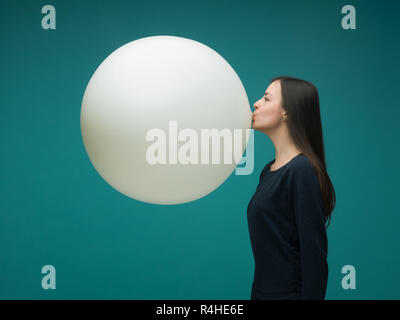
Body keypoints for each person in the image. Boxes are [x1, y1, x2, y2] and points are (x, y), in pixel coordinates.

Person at [247, 76, 336, 300]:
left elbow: (314, 258)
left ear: (287, 111)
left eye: (266, 99)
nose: (256, 103)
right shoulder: (268, 171)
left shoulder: (301, 170)